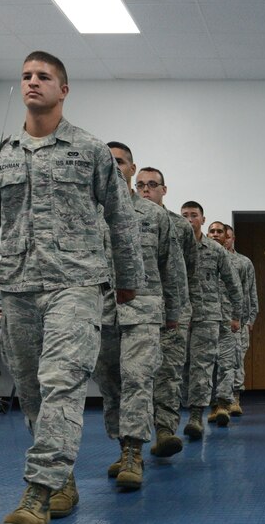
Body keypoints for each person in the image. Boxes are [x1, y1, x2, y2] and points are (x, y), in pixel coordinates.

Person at [0, 51, 143, 524]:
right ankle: (62, 480)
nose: (32, 82)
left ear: (64, 89)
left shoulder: (89, 150)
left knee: (62, 381)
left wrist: (128, 278)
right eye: (26, 76)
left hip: (76, 284)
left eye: (43, 76)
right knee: (32, 390)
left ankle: (37, 495)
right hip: (18, 287)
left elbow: (121, 218)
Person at [88, 142, 185, 493]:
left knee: (137, 377)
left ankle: (133, 452)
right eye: (108, 162)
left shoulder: (154, 215)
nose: (115, 167)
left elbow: (171, 267)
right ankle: (122, 447)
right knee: (110, 382)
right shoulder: (86, 213)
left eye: (120, 162)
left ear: (132, 168)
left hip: (144, 309)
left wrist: (174, 312)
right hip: (100, 311)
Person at [135, 167, 199, 459]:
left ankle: (164, 431)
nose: (145, 190)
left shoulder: (180, 226)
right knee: (136, 376)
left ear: (164, 189)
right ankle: (133, 442)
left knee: (169, 372)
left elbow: (189, 268)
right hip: (135, 311)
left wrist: (181, 306)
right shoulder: (123, 218)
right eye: (140, 185)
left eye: (151, 185)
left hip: (172, 311)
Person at [180, 202, 243, 437]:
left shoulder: (215, 250)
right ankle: (184, 411)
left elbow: (233, 284)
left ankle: (197, 415)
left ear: (202, 219)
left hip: (208, 317)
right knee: (181, 368)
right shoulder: (174, 245)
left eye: (193, 215)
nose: (189, 220)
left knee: (203, 366)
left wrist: (236, 315)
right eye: (185, 215)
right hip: (178, 317)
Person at [222, 222, 258, 415]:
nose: (224, 240)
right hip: (217, 319)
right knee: (220, 361)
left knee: (237, 359)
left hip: (239, 321)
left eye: (228, 237)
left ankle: (235, 397)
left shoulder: (243, 262)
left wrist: (251, 318)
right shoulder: (212, 259)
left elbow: (251, 292)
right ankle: (220, 401)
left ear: (233, 239)